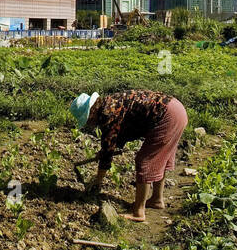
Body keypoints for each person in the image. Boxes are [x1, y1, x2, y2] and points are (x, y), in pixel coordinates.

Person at [70, 88, 188, 223]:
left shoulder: (107, 114)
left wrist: (98, 180)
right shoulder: (109, 102)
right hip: (176, 109)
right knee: (159, 159)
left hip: (167, 116)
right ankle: (156, 199)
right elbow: (118, 135)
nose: (89, 124)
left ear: (91, 113)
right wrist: (106, 151)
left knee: (144, 161)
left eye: (87, 120)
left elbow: (108, 151)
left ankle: (138, 212)